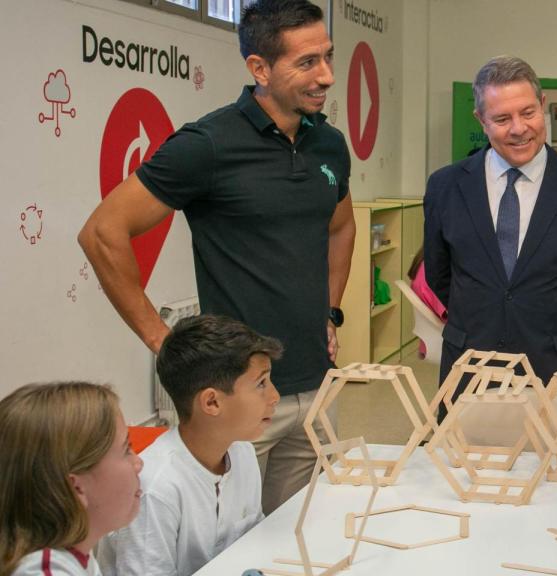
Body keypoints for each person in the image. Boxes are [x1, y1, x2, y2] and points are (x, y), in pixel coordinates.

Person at [77, 0, 356, 514]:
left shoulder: (330, 145)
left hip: (317, 386)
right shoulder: (206, 145)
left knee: (301, 535)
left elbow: (341, 227)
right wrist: (161, 341)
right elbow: (102, 232)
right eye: (307, 63)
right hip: (234, 396)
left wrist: (330, 311)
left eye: (328, 57)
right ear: (260, 69)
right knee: (231, 546)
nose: (327, 76)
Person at [423, 56, 557, 417]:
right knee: (463, 473)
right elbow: (439, 274)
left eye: (528, 113)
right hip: (470, 368)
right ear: (481, 120)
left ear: (543, 106)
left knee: (556, 471)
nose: (518, 129)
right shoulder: (446, 186)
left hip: (556, 368)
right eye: (502, 118)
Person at [99, 315, 282, 576]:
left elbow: (251, 543)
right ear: (212, 403)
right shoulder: (156, 488)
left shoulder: (242, 452)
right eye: (261, 384)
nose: (275, 396)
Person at [0, 382, 143, 576]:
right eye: (126, 449)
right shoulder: (44, 572)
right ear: (75, 488)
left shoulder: (76, 554)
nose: (138, 463)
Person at [407, 246, 447, 358]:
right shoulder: (432, 276)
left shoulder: (425, 265)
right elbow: (450, 314)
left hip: (430, 339)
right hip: (444, 340)